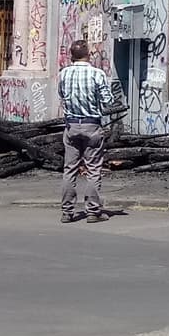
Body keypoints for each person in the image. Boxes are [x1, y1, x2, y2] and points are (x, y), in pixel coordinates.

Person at [57, 38, 115, 222]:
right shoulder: (97, 74)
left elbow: (61, 95)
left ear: (71, 56)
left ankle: (67, 212)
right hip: (92, 125)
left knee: (70, 169)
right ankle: (93, 211)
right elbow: (108, 101)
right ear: (88, 54)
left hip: (72, 125)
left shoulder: (63, 74)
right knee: (93, 169)